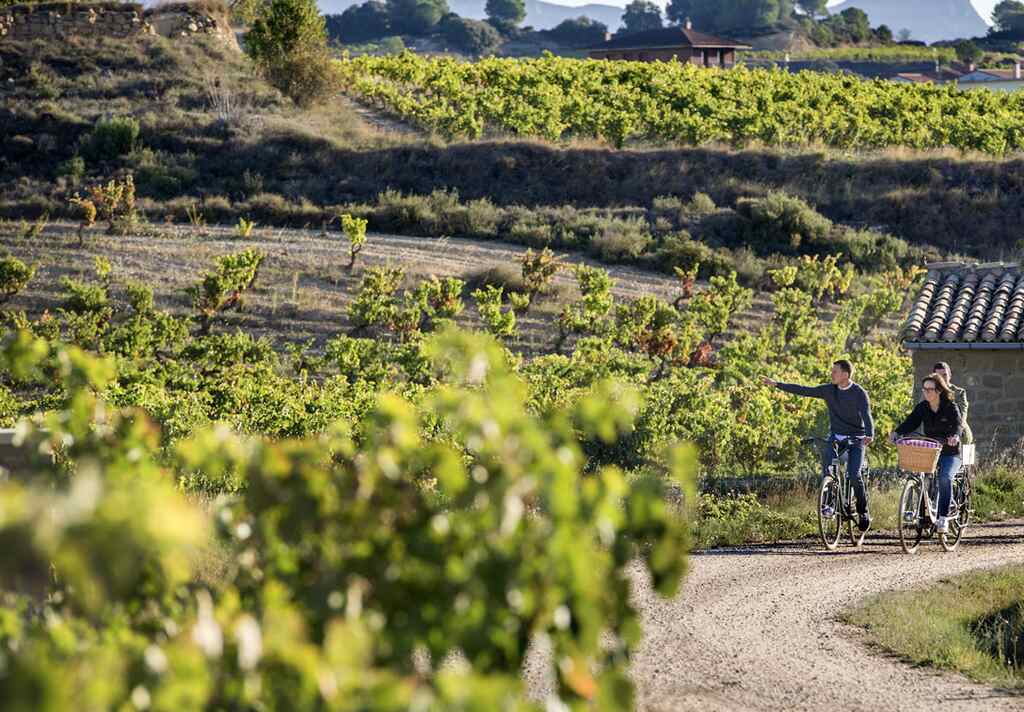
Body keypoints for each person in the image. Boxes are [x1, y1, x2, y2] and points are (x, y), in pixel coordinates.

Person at [762, 360, 875, 531]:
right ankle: (829, 504)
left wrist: (869, 434)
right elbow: (804, 390)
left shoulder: (859, 393)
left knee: (853, 474)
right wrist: (777, 384)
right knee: (828, 470)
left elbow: (866, 415)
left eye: (835, 371)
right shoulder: (828, 390)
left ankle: (863, 511)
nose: (831, 374)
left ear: (845, 374)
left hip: (856, 439)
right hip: (836, 437)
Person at [890, 372, 963, 534]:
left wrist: (955, 436)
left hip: (950, 453)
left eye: (929, 389)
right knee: (921, 475)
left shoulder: (951, 407)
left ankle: (943, 517)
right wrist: (897, 432)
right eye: (924, 389)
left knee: (945, 478)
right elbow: (910, 422)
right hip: (931, 451)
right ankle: (924, 514)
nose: (926, 392)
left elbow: (958, 426)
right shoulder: (923, 407)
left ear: (938, 391)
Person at [932, 362, 973, 444]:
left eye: (944, 375)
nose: (942, 379)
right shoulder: (928, 392)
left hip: (957, 433)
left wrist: (956, 434)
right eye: (938, 376)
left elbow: (962, 416)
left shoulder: (959, 393)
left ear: (950, 375)